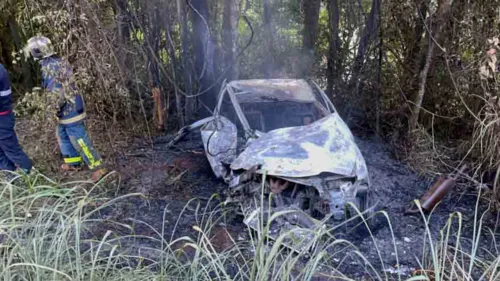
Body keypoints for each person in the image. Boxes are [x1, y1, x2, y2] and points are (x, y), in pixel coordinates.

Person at [25, 36, 106, 182]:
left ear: (36, 52)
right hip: (65, 109)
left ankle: (97, 167)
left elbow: (59, 93)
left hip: (70, 109)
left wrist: (53, 109)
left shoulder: (52, 66)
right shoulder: (52, 62)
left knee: (79, 139)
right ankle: (74, 163)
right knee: (62, 135)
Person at [0, 63, 33, 174]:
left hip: (2, 118)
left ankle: (28, 172)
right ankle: (9, 173)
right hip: (3, 115)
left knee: (11, 148)